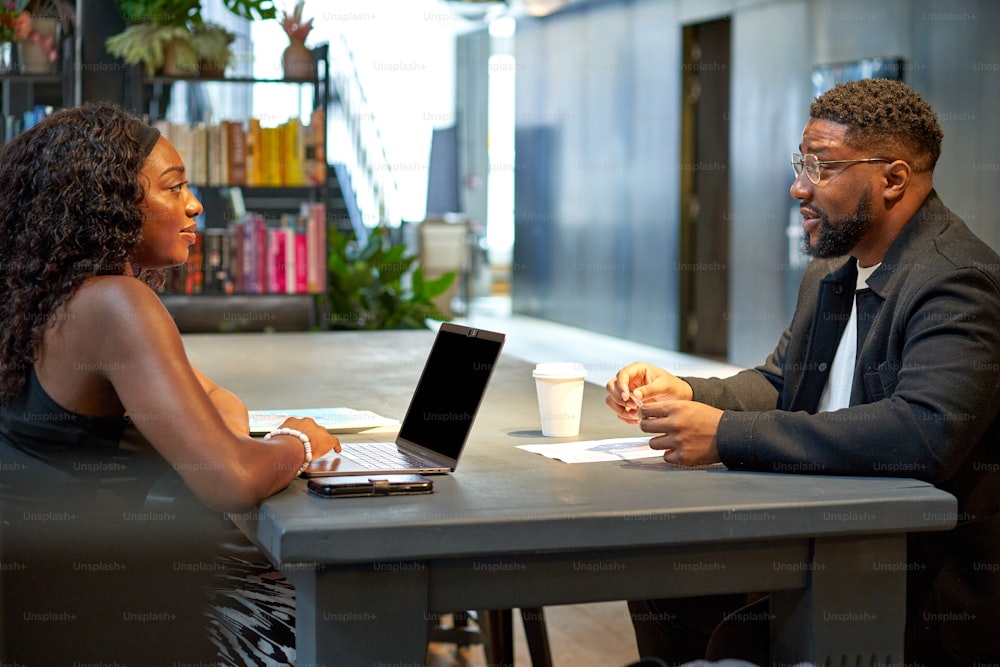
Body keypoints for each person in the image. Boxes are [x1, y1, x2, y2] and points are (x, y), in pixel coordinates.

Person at [606, 78, 1000, 666]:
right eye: (801, 164)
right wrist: (686, 391)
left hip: (911, 579)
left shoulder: (956, 281)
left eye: (823, 168)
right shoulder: (834, 268)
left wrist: (723, 434)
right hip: (817, 529)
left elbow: (923, 432)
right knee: (665, 573)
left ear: (894, 179)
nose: (798, 187)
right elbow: (782, 383)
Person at [0, 102, 341, 665]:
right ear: (108, 202)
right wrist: (301, 442)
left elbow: (217, 402)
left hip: (44, 602)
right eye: (174, 187)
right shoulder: (116, 303)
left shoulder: (44, 298)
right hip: (101, 617)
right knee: (343, 622)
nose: (195, 204)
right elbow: (228, 479)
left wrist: (215, 439)